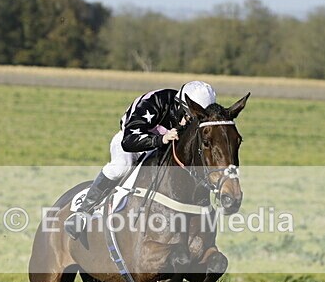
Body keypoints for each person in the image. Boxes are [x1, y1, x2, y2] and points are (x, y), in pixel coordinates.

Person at [64, 81, 217, 240]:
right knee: (121, 168)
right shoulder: (155, 103)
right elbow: (129, 140)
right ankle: (83, 212)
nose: (189, 122)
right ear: (180, 105)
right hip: (133, 141)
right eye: (190, 116)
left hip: (164, 146)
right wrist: (160, 139)